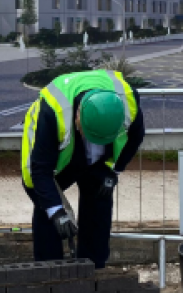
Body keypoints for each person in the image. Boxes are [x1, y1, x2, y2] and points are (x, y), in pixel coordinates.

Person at [20, 69, 145, 268]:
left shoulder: (128, 103)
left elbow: (136, 137)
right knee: (48, 210)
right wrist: (57, 212)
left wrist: (115, 171)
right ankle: (48, 272)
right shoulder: (52, 112)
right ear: (78, 114)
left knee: (99, 204)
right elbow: (39, 172)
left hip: (98, 162)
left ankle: (94, 267)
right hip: (58, 161)